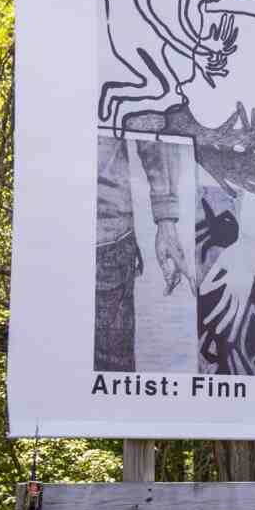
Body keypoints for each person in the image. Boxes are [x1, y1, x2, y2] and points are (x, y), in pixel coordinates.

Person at [95, 136, 191, 371]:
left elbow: (151, 120)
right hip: (107, 237)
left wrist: (166, 220)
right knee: (111, 376)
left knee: (110, 377)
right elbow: (152, 119)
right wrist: (166, 221)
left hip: (107, 240)